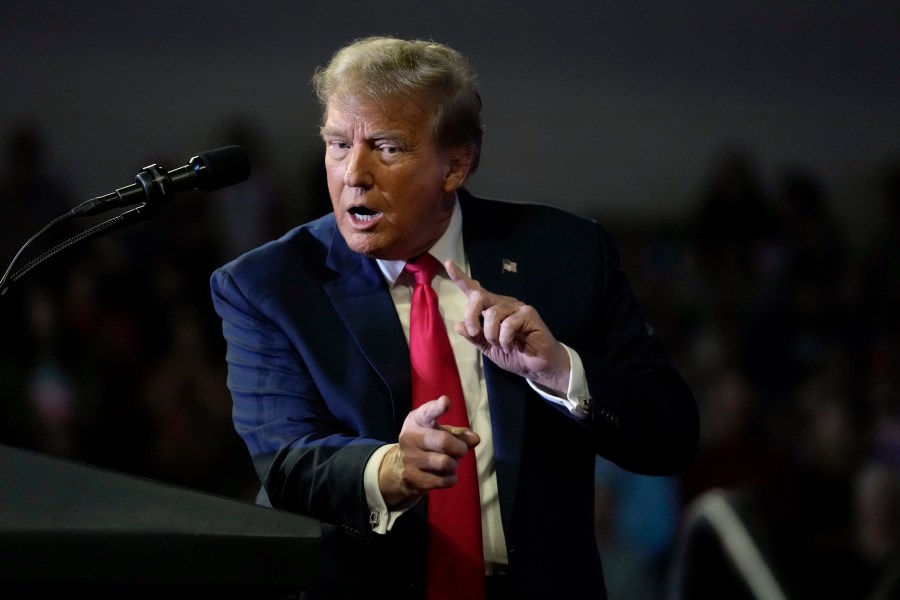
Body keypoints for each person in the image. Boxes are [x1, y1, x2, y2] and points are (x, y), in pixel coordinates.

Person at [210, 36, 699, 600]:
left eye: (387, 148)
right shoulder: (269, 285)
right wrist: (390, 468)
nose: (354, 174)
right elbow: (287, 461)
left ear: (456, 165)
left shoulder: (566, 255)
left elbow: (670, 434)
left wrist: (561, 370)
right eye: (339, 144)